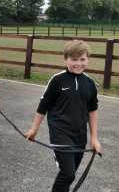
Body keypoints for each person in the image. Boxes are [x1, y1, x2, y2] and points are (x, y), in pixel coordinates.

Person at [25, 40, 102, 192]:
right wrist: (34, 129)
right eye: (74, 59)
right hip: (60, 133)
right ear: (65, 59)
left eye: (82, 59)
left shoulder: (90, 83)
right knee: (68, 174)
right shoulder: (57, 80)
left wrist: (94, 138)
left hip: (79, 135)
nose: (78, 63)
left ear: (88, 59)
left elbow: (93, 111)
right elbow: (43, 107)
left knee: (70, 174)